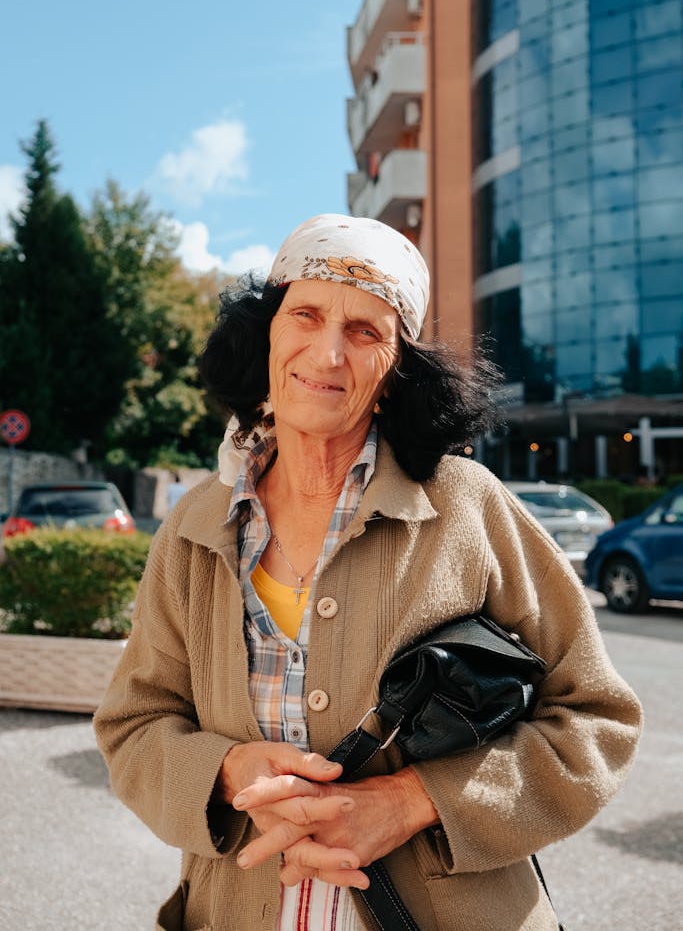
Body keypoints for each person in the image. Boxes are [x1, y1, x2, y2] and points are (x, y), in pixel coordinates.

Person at [94, 214, 642, 931]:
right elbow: (134, 725)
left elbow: (597, 719)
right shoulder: (195, 528)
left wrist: (413, 800)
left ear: (393, 375)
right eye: (306, 316)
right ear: (266, 339)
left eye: (364, 332)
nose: (326, 353)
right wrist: (225, 773)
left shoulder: (466, 507)